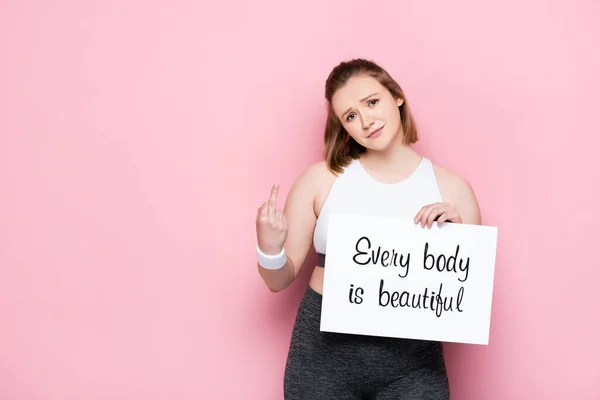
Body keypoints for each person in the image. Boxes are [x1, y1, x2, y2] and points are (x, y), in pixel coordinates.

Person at [255, 58, 481, 399]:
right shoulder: (320, 180)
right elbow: (278, 281)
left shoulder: (453, 189)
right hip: (322, 359)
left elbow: (468, 301)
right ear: (343, 126)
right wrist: (269, 249)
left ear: (397, 97)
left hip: (413, 364)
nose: (366, 121)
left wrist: (458, 242)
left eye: (372, 102)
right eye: (350, 116)